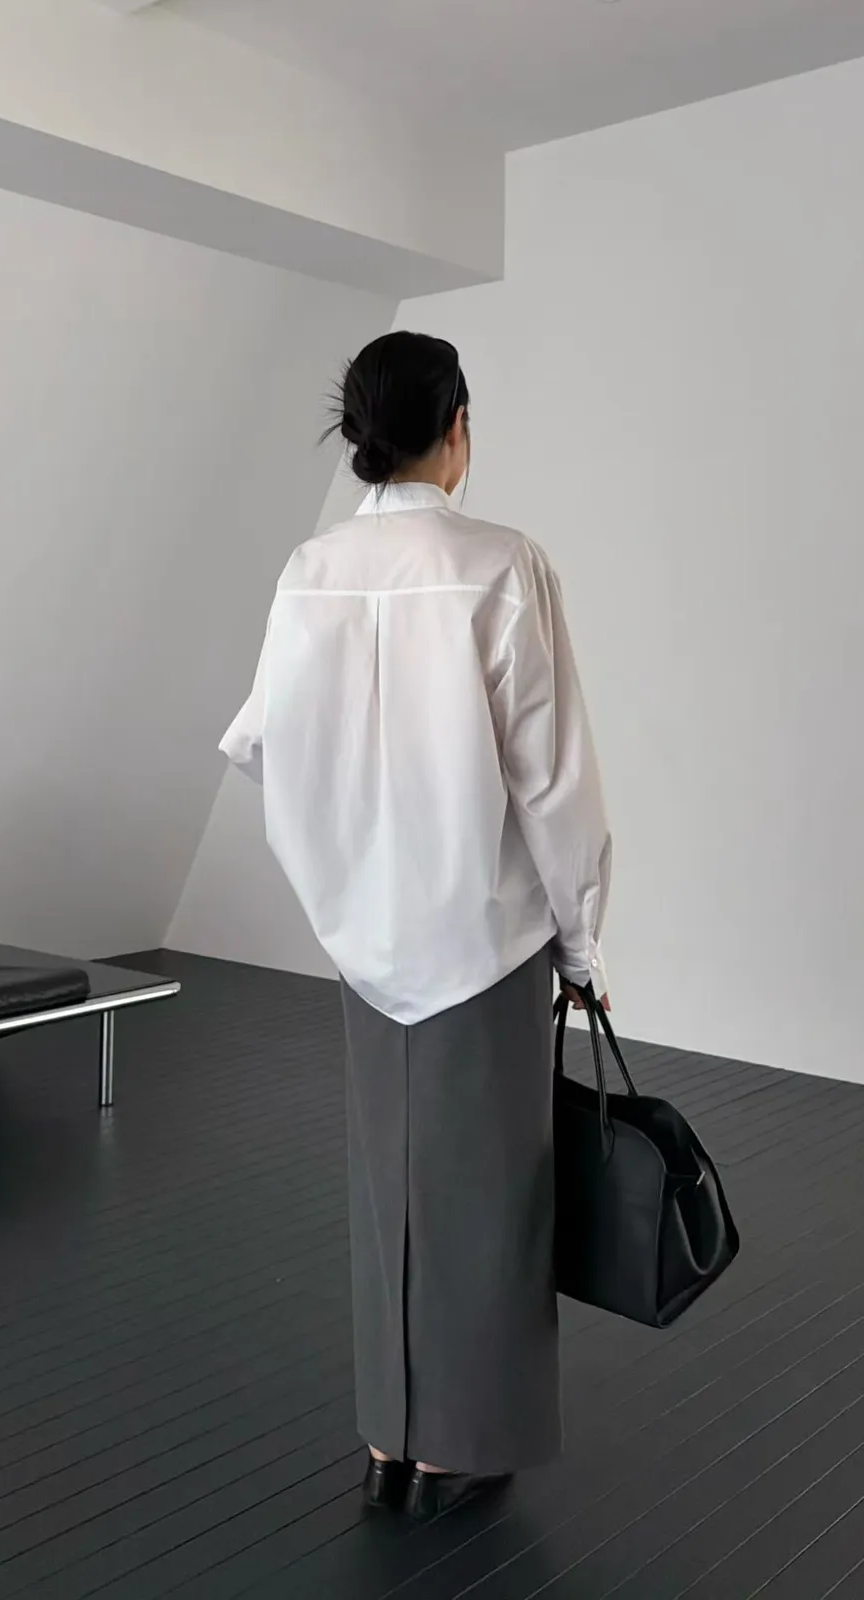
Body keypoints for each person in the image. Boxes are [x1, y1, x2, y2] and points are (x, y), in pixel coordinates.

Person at [221, 330, 611, 1521]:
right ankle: (457, 1448)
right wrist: (582, 937)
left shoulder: (311, 567)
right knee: (488, 1194)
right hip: (481, 937)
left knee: (384, 1186)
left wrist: (350, 843)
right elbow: (553, 781)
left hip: (366, 939)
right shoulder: (502, 564)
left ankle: (388, 1439)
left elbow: (257, 739)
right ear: (456, 427)